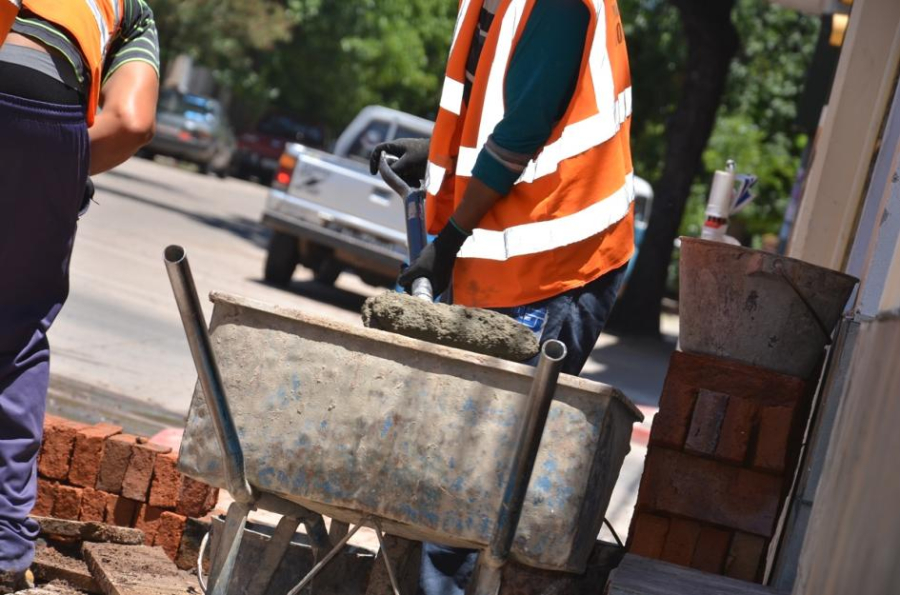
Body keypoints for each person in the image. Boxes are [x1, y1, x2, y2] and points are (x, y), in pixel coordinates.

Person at [371, 0, 633, 593]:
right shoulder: (496, 6)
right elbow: (502, 109)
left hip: (554, 262)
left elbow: (523, 131)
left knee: (471, 480)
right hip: (511, 261)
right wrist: (433, 147)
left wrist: (450, 241)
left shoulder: (558, 6)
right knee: (440, 468)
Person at [0, 1, 160, 590]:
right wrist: (50, 170)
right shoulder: (129, 9)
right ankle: (2, 542)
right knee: (15, 332)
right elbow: (134, 121)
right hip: (46, 104)